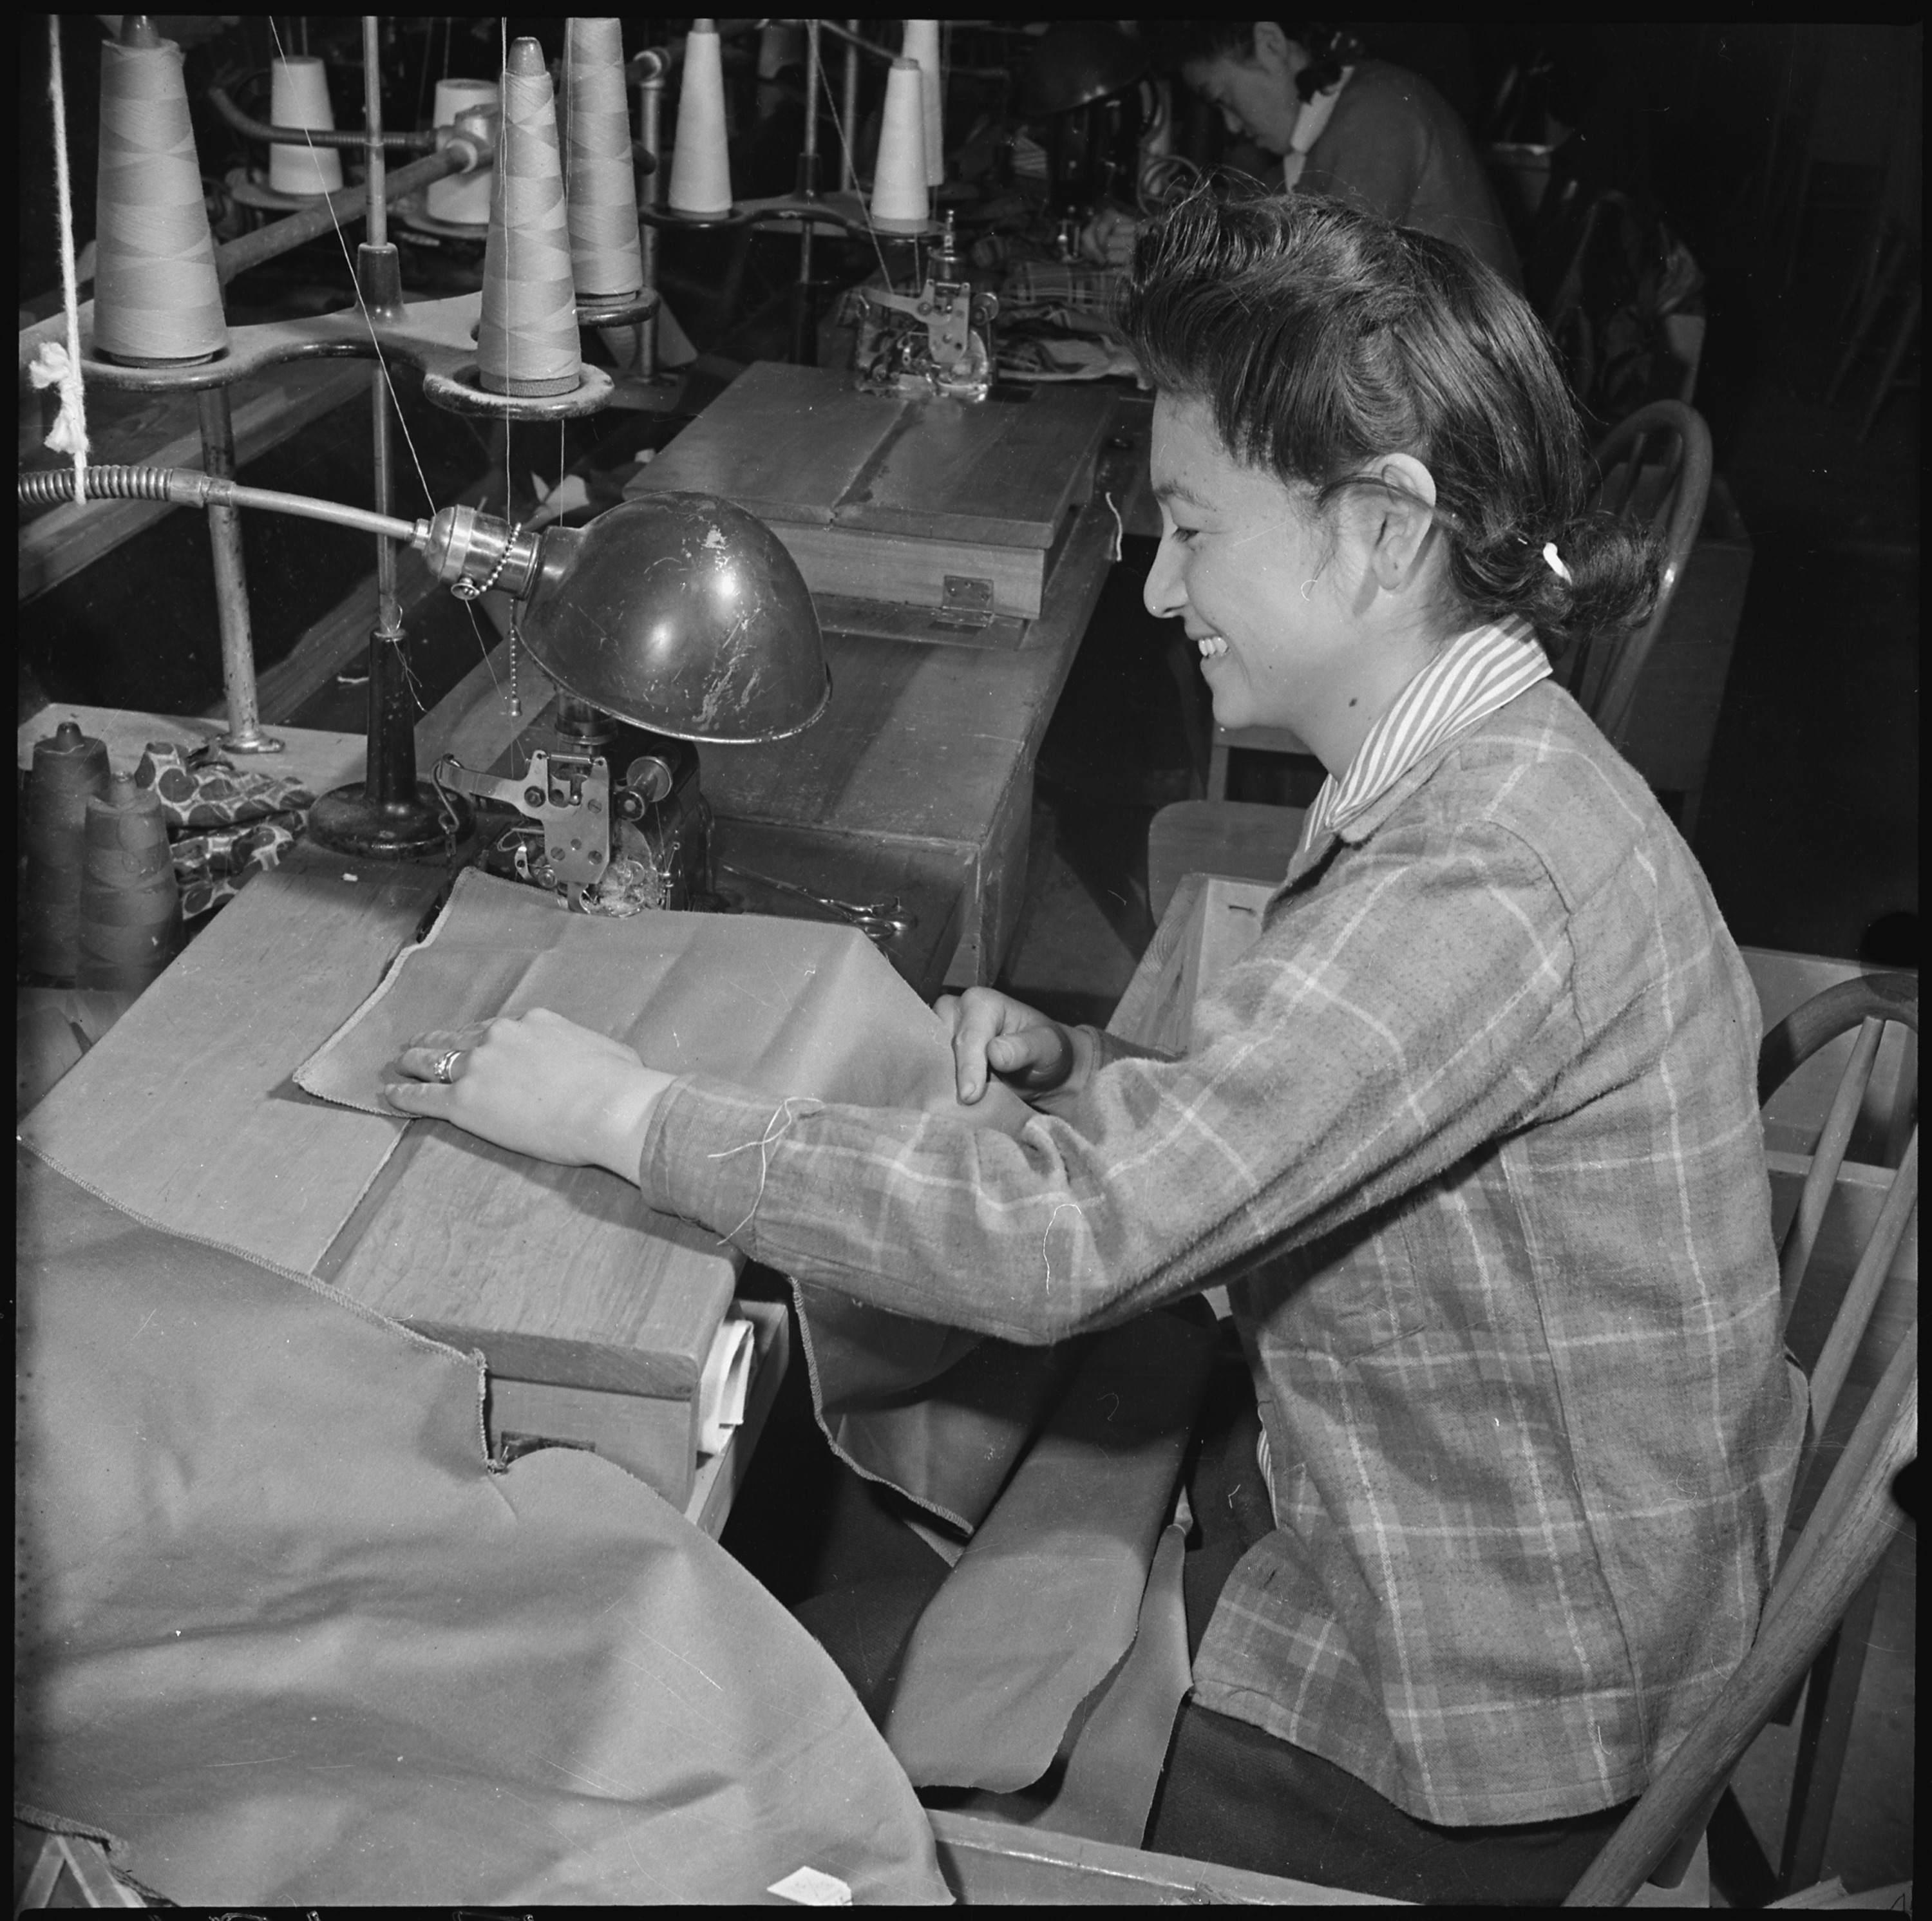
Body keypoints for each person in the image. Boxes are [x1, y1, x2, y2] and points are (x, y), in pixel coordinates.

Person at [386, 189, 1804, 1904]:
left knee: (783, 1741)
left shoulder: (1491, 873)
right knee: (877, 1542)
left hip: (1489, 1693)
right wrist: (1099, 1075)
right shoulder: (1484, 763)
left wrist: (627, 1112)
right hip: (1500, 1535)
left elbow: (1065, 1243)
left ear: (1380, 530)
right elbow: (1337, 1121)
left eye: (1196, 528)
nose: (1155, 586)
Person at [1084, 22, 1520, 289]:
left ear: (1270, 43)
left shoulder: (1378, 109)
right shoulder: (1311, 144)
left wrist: (1171, 249)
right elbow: (1250, 246)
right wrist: (1155, 237)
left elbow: (1317, 284)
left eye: (1224, 99)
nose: (1233, 125)